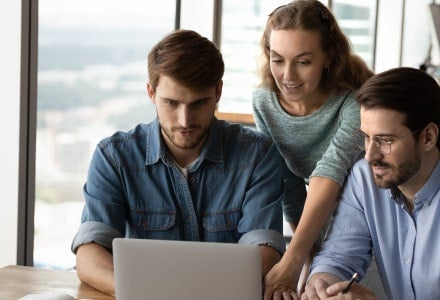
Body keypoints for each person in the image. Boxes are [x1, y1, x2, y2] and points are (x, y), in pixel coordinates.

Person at [71, 29, 286, 296]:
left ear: (218, 91)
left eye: (198, 103)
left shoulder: (257, 155)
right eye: (171, 103)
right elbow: (89, 253)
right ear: (151, 93)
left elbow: (264, 248)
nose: (185, 120)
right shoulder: (113, 157)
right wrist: (149, 293)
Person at [252, 1, 373, 298]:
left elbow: (328, 172)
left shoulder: (354, 102)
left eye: (303, 62)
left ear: (328, 58)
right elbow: (288, 185)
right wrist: (309, 257)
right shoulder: (264, 102)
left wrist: (293, 260)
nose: (288, 76)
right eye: (278, 60)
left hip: (370, 215)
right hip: (318, 220)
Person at [302, 67, 440, 299]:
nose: (370, 155)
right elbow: (339, 256)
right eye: (367, 138)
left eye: (386, 140)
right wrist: (323, 283)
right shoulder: (364, 179)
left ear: (427, 137)